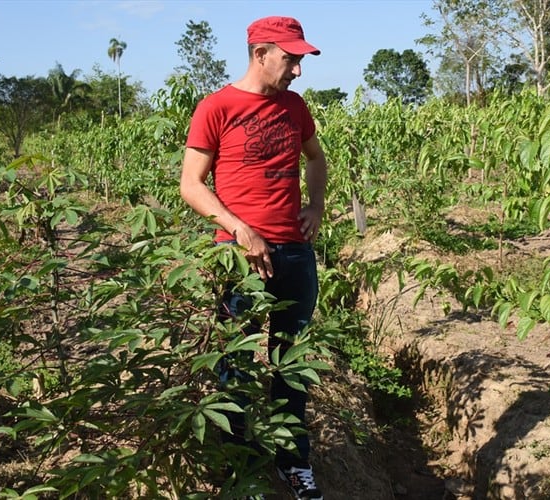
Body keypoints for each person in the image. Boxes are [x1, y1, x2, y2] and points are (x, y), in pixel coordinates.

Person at [180, 15, 327, 500]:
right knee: (236, 363)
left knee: (292, 362)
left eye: (300, 60)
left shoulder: (295, 106)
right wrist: (240, 229)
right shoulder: (216, 107)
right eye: (290, 59)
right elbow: (191, 185)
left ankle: (293, 462)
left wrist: (316, 206)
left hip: (295, 253)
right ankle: (239, 467)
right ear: (260, 54)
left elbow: (315, 158)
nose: (297, 71)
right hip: (240, 257)